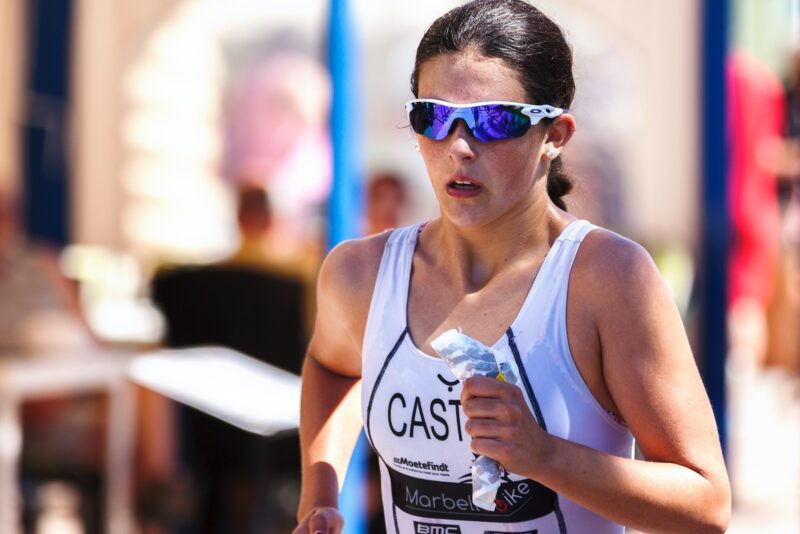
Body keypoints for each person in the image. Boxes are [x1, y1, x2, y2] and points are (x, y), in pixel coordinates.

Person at [294, 1, 731, 533]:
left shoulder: (606, 278)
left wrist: (543, 455)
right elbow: (331, 366)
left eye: (495, 121)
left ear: (555, 135)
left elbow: (705, 507)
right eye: (432, 117)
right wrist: (319, 495)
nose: (458, 146)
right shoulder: (361, 275)